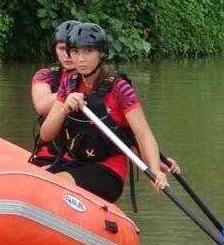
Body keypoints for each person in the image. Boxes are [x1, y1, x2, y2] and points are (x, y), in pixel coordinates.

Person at [37, 22, 178, 204]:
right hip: (75, 163)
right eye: (76, 52)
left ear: (101, 53)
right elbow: (46, 135)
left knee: (59, 182)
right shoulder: (68, 85)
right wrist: (64, 109)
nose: (81, 59)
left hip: (108, 170)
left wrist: (154, 170)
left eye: (88, 52)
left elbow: (143, 134)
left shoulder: (119, 88)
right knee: (36, 179)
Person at [29, 20, 80, 167]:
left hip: (82, 155)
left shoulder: (96, 79)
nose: (67, 55)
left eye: (73, 49)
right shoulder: (45, 75)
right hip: (49, 153)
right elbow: (42, 106)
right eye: (62, 48)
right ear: (55, 49)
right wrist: (73, 88)